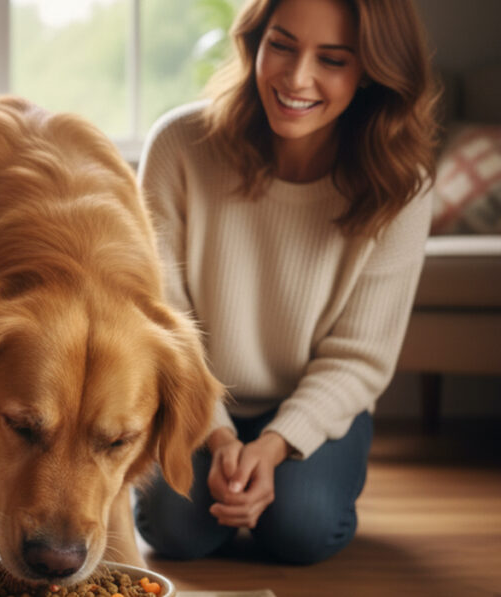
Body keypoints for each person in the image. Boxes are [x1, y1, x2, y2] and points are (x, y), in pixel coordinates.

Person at [134, 0, 440, 565]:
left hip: (308, 404)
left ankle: (284, 486)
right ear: (255, 41)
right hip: (193, 393)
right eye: (282, 45)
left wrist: (275, 445)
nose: (297, 78)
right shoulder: (178, 146)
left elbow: (360, 356)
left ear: (371, 70)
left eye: (333, 59)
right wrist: (221, 438)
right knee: (174, 529)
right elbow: (160, 315)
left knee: (302, 530)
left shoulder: (403, 187)